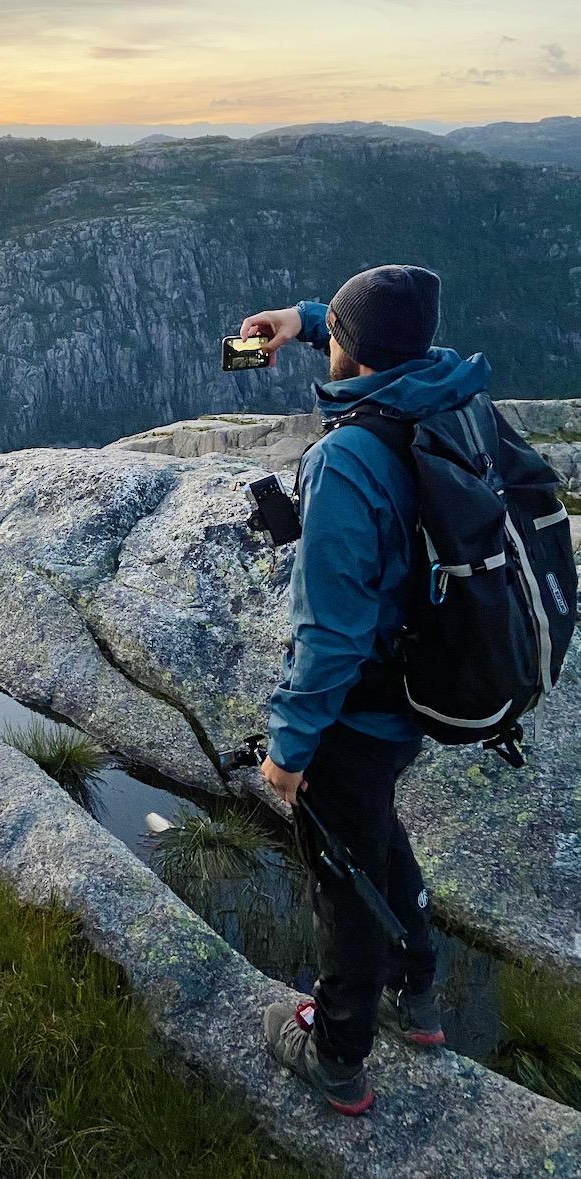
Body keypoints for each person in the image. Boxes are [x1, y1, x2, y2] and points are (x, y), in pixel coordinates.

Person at [239, 265, 485, 1116]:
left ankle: (338, 1049)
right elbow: (374, 331)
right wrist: (302, 317)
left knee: (341, 872)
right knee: (373, 820)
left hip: (359, 705)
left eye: (329, 332)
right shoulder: (444, 387)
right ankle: (418, 985)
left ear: (352, 351)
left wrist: (287, 754)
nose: (324, 339)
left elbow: (331, 636)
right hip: (421, 685)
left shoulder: (347, 459)